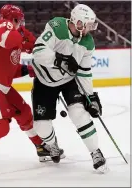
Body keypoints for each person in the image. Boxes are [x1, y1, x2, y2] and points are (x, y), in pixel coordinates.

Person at [0, 4, 65, 180]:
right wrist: (26, 42)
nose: (21, 24)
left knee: (24, 112)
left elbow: (9, 68)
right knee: (1, 124)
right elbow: (12, 40)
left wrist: (32, 65)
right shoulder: (2, 25)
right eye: (19, 20)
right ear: (12, 19)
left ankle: (40, 147)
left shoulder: (8, 37)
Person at [31, 4, 108, 172]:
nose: (90, 29)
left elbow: (85, 72)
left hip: (68, 81)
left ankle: (95, 151)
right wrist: (61, 59)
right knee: (41, 127)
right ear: (78, 22)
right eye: (88, 25)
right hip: (44, 81)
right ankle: (53, 146)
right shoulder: (56, 26)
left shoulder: (88, 43)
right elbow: (38, 50)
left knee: (79, 113)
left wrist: (91, 97)